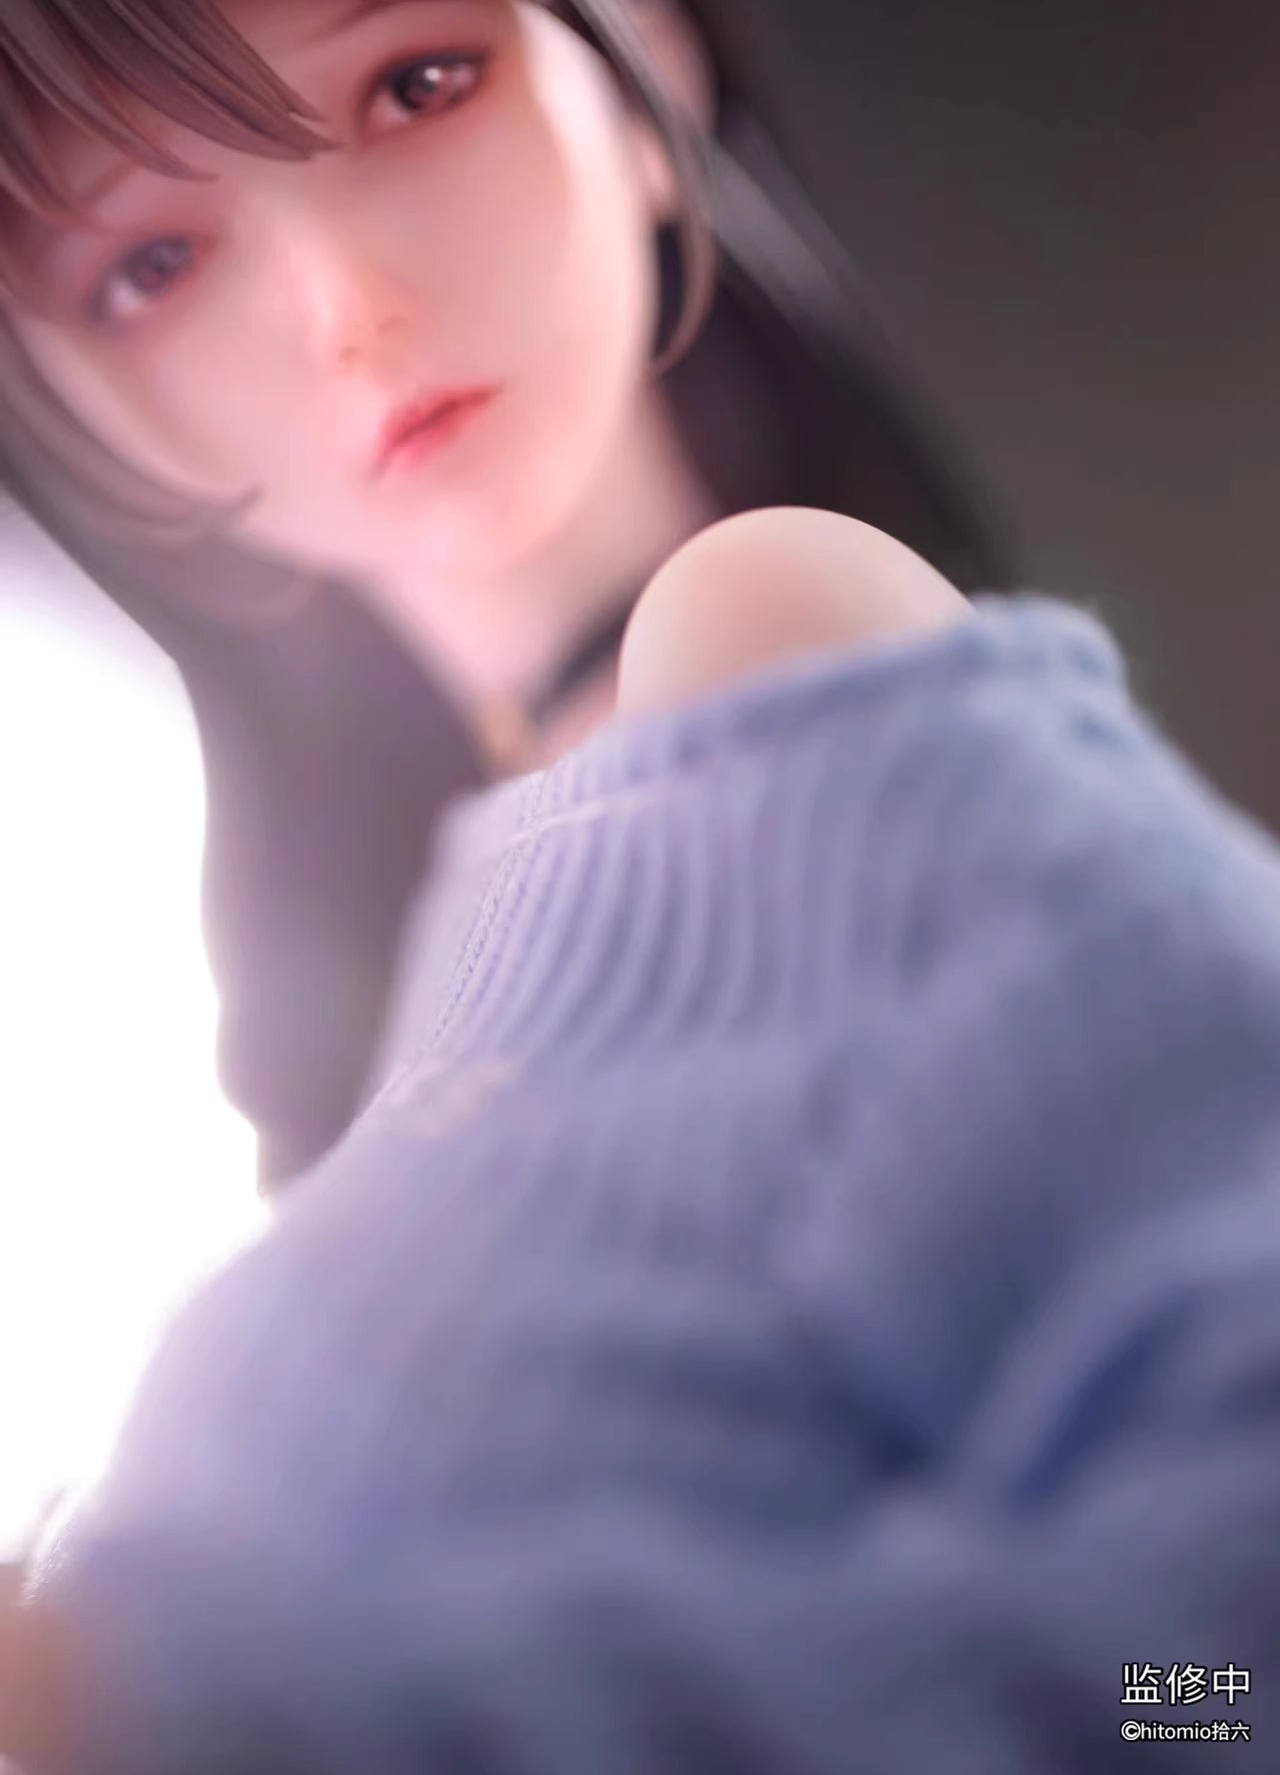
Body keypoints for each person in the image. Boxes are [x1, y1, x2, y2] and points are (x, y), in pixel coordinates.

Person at [4, 502, 1280, 1773]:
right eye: (147, 287)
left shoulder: (792, 646)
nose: (348, 361)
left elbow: (1221, 1684)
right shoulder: (366, 1039)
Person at [0, 0, 1007, 1191]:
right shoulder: (371, 980)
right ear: (58, 402)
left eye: (419, 86)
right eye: (151, 266)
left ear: (647, 77)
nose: (347, 310)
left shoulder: (784, 635)